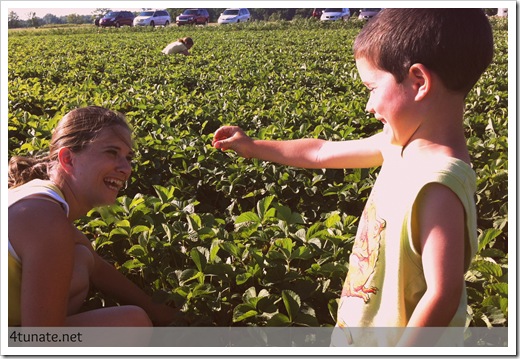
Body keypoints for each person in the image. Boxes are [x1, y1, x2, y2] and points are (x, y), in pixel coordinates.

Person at [212, 9, 493, 346]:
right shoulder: (397, 145)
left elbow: (443, 295)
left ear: (418, 82)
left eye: (371, 88)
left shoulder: (438, 183)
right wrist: (253, 146)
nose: (368, 106)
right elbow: (320, 153)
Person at [8, 106, 179, 327]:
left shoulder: (39, 197)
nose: (126, 168)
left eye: (128, 158)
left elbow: (96, 266)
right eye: (111, 152)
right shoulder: (46, 219)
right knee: (132, 323)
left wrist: (160, 311)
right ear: (68, 159)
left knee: (82, 259)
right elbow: (39, 343)